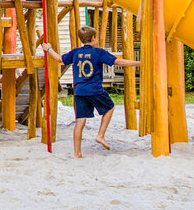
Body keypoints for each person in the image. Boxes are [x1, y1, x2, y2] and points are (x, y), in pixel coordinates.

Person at [44, 26, 139, 159]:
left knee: (80, 122)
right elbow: (118, 61)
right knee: (110, 107)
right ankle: (100, 135)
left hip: (79, 90)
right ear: (93, 38)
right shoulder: (99, 52)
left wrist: (48, 49)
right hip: (94, 89)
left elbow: (59, 59)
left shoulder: (76, 52)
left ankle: (77, 153)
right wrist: (138, 63)